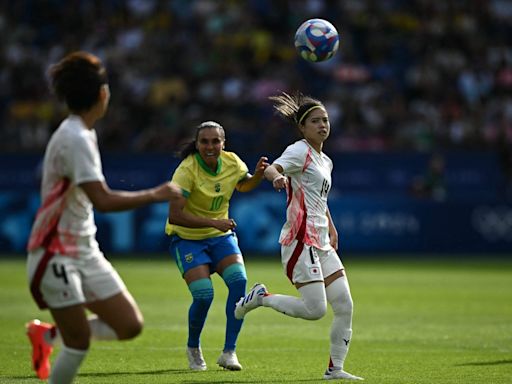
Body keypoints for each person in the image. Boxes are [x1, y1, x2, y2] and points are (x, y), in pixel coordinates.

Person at [25, 51, 181, 383]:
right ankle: (57, 341)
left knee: (128, 325)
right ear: (102, 94)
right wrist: (155, 194)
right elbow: (103, 200)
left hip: (84, 248)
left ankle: (46, 336)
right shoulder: (75, 137)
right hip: (55, 252)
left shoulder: (82, 132)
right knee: (78, 342)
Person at [234, 92, 364, 381]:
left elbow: (319, 198)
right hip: (301, 239)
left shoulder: (325, 160)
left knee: (344, 304)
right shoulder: (299, 150)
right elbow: (272, 167)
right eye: (315, 121)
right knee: (315, 309)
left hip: (323, 241)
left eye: (325, 120)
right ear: (303, 128)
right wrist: (277, 177)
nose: (323, 125)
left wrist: (331, 225)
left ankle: (335, 369)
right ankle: (262, 297)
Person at [165, 121, 268, 371]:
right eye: (205, 142)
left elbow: (243, 185)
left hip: (220, 237)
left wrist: (257, 176)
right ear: (197, 144)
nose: (210, 146)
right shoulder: (186, 170)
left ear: (223, 143)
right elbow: (175, 215)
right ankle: (193, 347)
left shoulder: (232, 162)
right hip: (188, 238)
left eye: (215, 141)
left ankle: (229, 352)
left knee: (238, 281)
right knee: (203, 295)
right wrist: (214, 222)